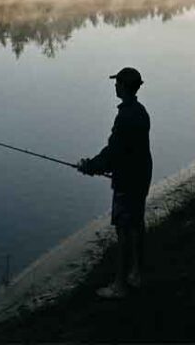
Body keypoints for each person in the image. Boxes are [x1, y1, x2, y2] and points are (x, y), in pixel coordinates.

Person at [78, 66, 153, 299]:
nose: (114, 85)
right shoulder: (140, 111)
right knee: (137, 225)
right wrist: (100, 165)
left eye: (117, 82)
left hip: (128, 180)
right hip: (141, 174)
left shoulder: (126, 116)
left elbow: (114, 152)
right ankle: (138, 273)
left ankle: (120, 285)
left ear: (124, 86)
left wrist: (90, 166)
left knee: (123, 229)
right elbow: (124, 151)